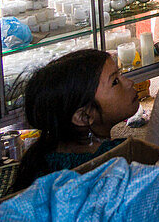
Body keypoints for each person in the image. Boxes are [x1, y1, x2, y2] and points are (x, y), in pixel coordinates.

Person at [13, 49, 139, 191]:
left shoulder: (42, 158)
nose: (129, 82)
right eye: (115, 82)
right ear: (83, 116)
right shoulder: (117, 158)